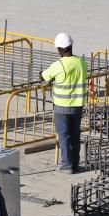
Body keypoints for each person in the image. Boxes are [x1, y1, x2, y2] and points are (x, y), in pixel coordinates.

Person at [41, 32, 88, 173]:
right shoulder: (82, 63)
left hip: (62, 107)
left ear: (60, 49)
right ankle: (75, 164)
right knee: (75, 135)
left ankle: (66, 165)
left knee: (64, 136)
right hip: (77, 106)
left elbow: (43, 75)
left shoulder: (59, 64)